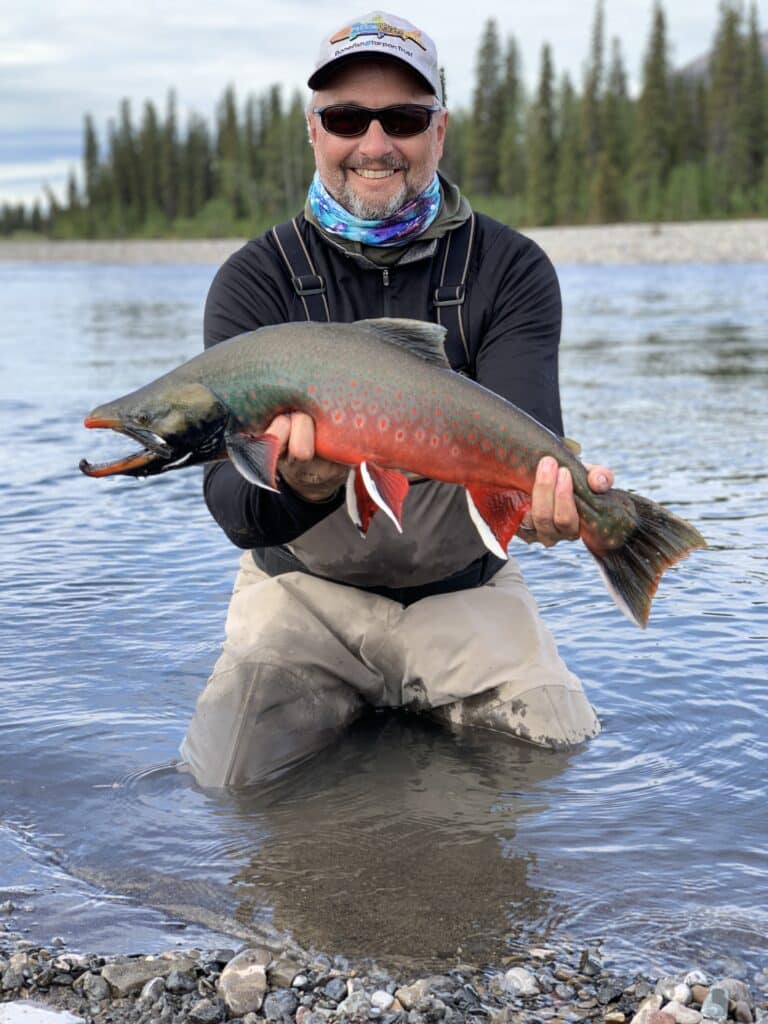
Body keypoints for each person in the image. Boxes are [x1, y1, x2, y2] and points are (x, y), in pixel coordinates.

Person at [179, 11, 613, 788]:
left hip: (466, 594)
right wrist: (304, 486)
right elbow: (233, 511)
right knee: (226, 780)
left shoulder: (509, 269)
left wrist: (548, 507)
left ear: (438, 131)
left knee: (558, 753)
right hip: (301, 596)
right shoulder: (255, 281)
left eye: (403, 119)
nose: (375, 144)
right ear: (314, 131)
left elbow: (528, 447)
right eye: (347, 118)